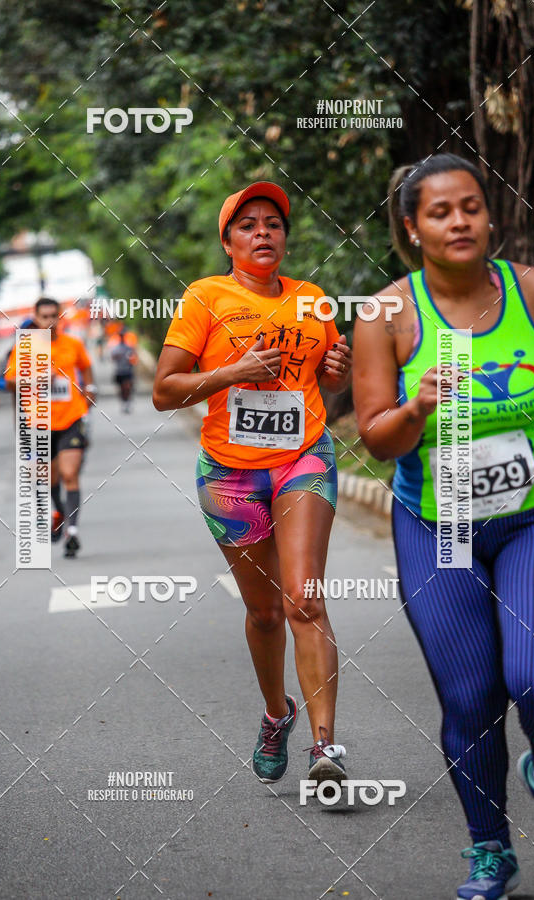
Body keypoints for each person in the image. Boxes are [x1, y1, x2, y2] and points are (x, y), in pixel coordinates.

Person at [352, 153, 534, 900]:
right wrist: (417, 408)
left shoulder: (532, 291)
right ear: (413, 227)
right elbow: (376, 437)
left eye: (471, 206)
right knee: (471, 697)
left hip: (533, 518)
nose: (459, 221)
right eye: (440, 212)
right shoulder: (385, 315)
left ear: (488, 215)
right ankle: (490, 848)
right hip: (443, 526)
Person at [153, 182, 352, 786]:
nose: (264, 232)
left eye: (274, 223)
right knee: (265, 612)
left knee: (305, 598)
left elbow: (327, 386)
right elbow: (165, 390)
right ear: (228, 243)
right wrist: (231, 372)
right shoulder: (205, 298)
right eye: (248, 225)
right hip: (230, 473)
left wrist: (335, 372)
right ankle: (276, 713)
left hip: (302, 459)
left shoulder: (314, 301)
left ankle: (325, 749)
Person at [6, 297, 96, 558]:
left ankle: (72, 532)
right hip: (39, 423)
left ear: (60, 317)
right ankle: (58, 511)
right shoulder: (26, 348)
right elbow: (10, 382)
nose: (50, 322)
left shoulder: (73, 344)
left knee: (70, 474)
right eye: (44, 317)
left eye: (54, 316)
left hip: (71, 418)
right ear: (36, 319)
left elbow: (86, 368)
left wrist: (90, 389)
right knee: (47, 479)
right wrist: (36, 378)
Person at [110, 329, 137, 413]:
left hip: (127, 371)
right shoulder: (115, 348)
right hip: (119, 371)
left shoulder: (129, 347)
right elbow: (112, 358)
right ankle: (123, 402)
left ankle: (127, 402)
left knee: (127, 387)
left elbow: (134, 358)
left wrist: (131, 360)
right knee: (121, 388)